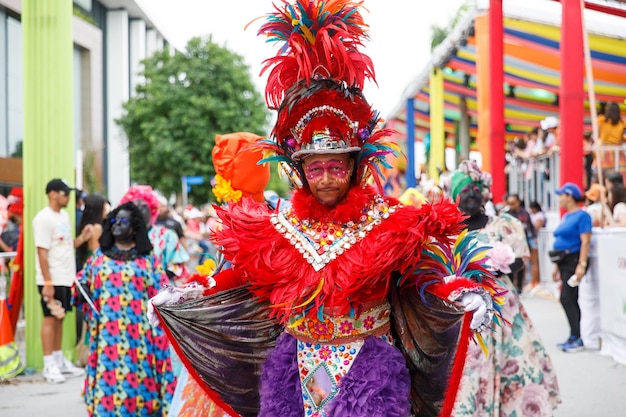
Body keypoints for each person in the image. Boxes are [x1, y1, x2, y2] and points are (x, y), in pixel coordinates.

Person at [151, 3, 502, 417]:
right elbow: (244, 278)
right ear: (300, 172)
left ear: (355, 167)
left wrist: (459, 292)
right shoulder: (278, 228)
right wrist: (198, 289)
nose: (326, 177)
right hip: (293, 370)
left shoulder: (391, 224)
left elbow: (421, 279)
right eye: (315, 168)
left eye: (336, 166)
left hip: (369, 369)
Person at [450, 160, 560, 416]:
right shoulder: (447, 231)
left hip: (502, 308)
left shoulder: (504, 225)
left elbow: (521, 259)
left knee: (515, 364)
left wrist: (498, 265)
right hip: (461, 309)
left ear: (484, 195)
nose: (471, 196)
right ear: (455, 195)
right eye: (465, 191)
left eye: (476, 191)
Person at [77, 202, 176, 416]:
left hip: (140, 337)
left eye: (124, 221)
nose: (117, 225)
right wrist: (80, 288)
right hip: (107, 338)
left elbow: (164, 293)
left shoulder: (149, 260)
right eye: (114, 220)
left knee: (138, 380)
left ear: (135, 228)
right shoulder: (98, 258)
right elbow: (80, 284)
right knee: (108, 381)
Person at [33, 178, 91, 384]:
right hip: (51, 278)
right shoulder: (43, 218)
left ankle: (58, 360)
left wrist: (82, 238)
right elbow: (42, 252)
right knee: (50, 318)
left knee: (60, 318)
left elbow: (66, 246)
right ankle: (49, 363)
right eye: (65, 193)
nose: (68, 196)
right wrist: (47, 282)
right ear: (52, 194)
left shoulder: (64, 216)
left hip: (66, 277)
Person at [119, 185, 190, 284]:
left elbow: (177, 267)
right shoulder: (121, 236)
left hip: (161, 293)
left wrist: (154, 279)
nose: (139, 210)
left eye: (144, 206)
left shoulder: (167, 235)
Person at [551, 182, 592, 352]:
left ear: (569, 196)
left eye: (561, 195)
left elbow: (585, 241)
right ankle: (573, 334)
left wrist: (581, 265)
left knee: (568, 297)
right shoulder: (567, 216)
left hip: (574, 260)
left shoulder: (583, 216)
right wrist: (555, 267)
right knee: (567, 298)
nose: (559, 198)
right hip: (563, 261)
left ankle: (577, 337)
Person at [505, 194, 536, 293]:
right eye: (509, 203)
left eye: (513, 203)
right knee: (509, 264)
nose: (511, 205)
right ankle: (509, 285)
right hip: (510, 244)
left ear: (518, 202)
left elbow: (531, 226)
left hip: (523, 243)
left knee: (521, 264)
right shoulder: (506, 215)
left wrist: (535, 236)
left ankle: (519, 286)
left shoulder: (525, 213)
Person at [529, 200, 547, 287]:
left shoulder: (539, 216)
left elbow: (536, 228)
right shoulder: (536, 215)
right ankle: (536, 281)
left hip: (535, 239)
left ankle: (535, 281)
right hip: (534, 239)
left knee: (534, 262)